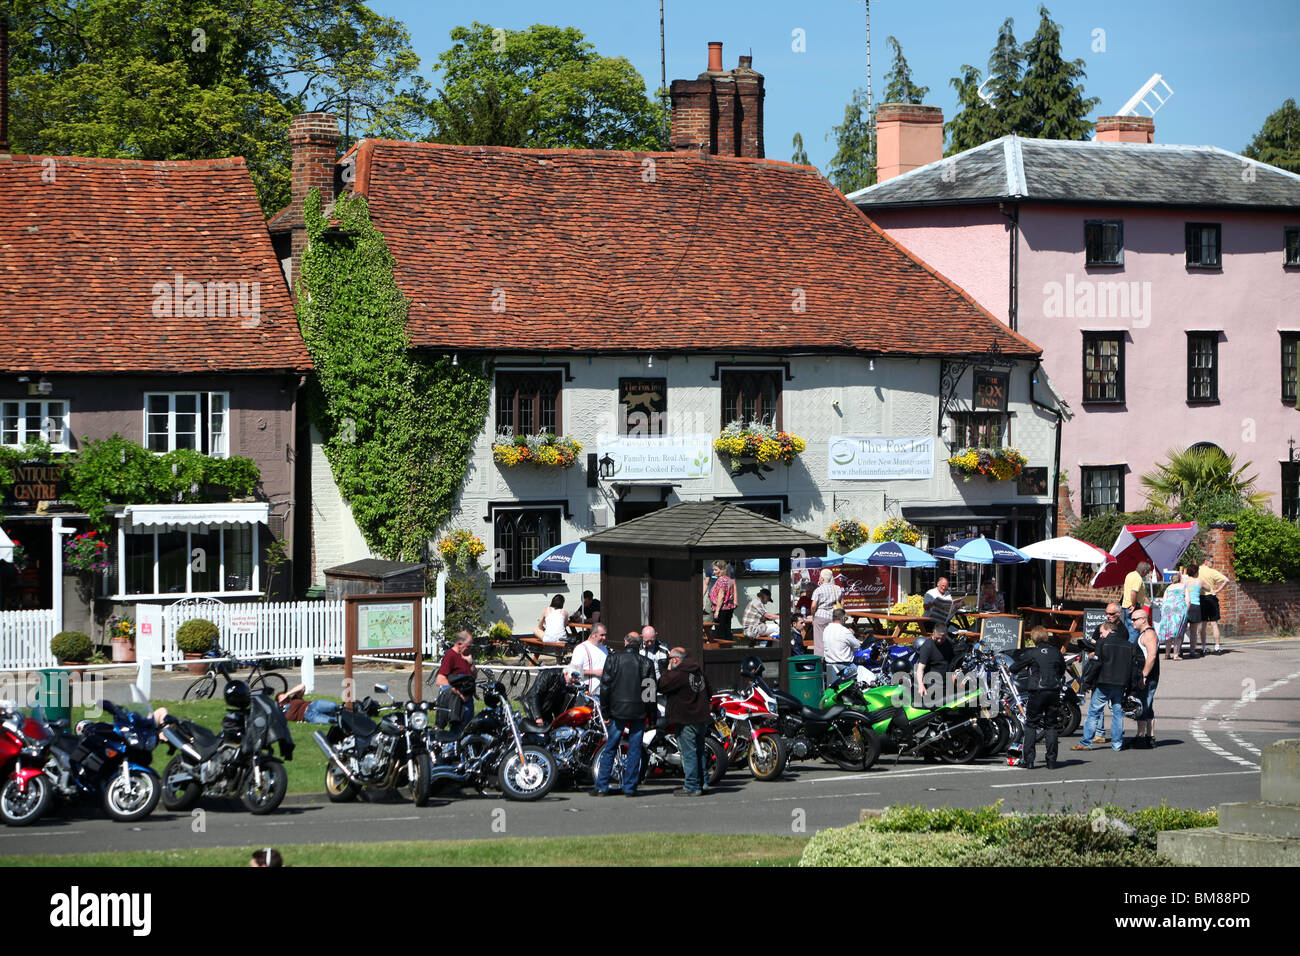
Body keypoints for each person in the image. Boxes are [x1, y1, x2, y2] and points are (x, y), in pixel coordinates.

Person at [593, 632, 656, 797]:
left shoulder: (613, 659)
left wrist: (605, 711)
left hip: (618, 710)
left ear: (626, 642)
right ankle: (630, 787)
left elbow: (605, 687)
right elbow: (650, 693)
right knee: (634, 749)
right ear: (639, 644)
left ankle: (601, 786)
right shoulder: (646, 662)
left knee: (611, 747)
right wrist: (652, 717)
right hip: (639, 711)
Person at [658, 646, 712, 796]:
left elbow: (662, 685)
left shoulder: (678, 673)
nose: (668, 662)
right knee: (700, 751)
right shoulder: (698, 671)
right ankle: (703, 782)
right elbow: (709, 691)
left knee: (689, 753)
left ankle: (692, 786)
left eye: (670, 659)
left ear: (675, 659)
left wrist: (668, 670)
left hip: (686, 718)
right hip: (701, 717)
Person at [1073, 620, 1132, 752]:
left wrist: (1086, 682)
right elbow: (1132, 666)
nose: (1100, 635)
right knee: (1117, 713)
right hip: (1120, 684)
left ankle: (1086, 742)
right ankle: (1117, 744)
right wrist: (1131, 687)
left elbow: (1096, 664)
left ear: (1108, 630)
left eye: (1101, 632)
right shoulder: (1128, 645)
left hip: (1104, 682)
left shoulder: (1102, 642)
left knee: (1094, 712)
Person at [1011, 627, 1064, 769]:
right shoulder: (1056, 652)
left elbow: (1014, 668)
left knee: (1031, 724)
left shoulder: (1032, 652)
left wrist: (1027, 668)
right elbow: (1062, 669)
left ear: (1034, 639)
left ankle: (1029, 760)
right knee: (1051, 725)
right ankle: (1051, 761)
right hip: (1053, 690)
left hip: (1037, 691)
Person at [435, 630, 476, 741]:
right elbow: (440, 679)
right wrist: (457, 692)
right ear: (459, 644)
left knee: (467, 731)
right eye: (468, 645)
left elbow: (473, 676)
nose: (470, 648)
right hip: (458, 702)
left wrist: (471, 663)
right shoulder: (450, 656)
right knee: (457, 732)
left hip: (468, 698)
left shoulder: (466, 655)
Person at [1131, 609, 1160, 749]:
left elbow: (1152, 656)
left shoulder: (1148, 634)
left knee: (1143, 705)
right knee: (1147, 705)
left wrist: (1144, 675)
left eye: (1134, 619)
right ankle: (1148, 736)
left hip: (1148, 677)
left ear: (1143, 619)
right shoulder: (1143, 634)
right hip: (1146, 676)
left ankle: (1142, 737)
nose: (1132, 622)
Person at [912, 620, 952, 707]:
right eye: (937, 637)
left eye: (943, 638)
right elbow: (920, 669)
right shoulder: (927, 646)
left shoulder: (949, 643)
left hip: (947, 681)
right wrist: (921, 685)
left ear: (946, 635)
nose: (940, 640)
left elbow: (953, 661)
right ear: (933, 634)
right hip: (932, 683)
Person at [822, 607, 861, 684]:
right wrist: (851, 634)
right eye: (845, 618)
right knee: (863, 675)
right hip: (844, 666)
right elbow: (857, 646)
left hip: (829, 665)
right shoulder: (845, 631)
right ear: (843, 618)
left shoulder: (826, 629)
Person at [810, 568, 844, 656]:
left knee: (819, 642)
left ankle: (820, 661)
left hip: (820, 616)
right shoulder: (837, 588)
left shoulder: (818, 590)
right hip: (833, 617)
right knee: (833, 639)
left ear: (822, 579)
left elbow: (813, 606)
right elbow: (842, 603)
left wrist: (813, 616)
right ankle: (833, 658)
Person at [1198, 559, 1229, 654]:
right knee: (1214, 623)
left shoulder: (1197, 570)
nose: (1213, 564)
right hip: (1211, 597)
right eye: (1212, 562)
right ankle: (1217, 647)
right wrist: (1218, 590)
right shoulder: (1212, 572)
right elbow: (1226, 580)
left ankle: (1203, 648)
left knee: (1203, 624)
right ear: (1206, 561)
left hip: (1201, 598)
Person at [569, 624, 609, 695]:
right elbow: (573, 672)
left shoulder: (604, 648)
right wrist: (595, 672)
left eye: (605, 635)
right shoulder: (581, 648)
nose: (604, 638)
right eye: (602, 635)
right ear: (593, 634)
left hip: (603, 693)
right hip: (587, 695)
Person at [1157, 573, 1189, 661]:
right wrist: (1186, 611)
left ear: (1172, 580)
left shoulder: (1168, 588)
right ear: (1180, 579)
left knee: (1169, 632)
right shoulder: (1184, 586)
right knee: (1178, 632)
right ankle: (1175, 654)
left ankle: (1167, 654)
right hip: (1179, 608)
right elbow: (1188, 600)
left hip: (1167, 609)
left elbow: (1164, 601)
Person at [275, 684, 341, 724]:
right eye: (280, 697)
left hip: (313, 705)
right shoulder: (282, 713)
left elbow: (302, 686)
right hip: (309, 716)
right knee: (331, 721)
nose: (284, 698)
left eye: (283, 696)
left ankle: (344, 711)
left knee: (333, 706)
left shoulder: (294, 699)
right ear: (279, 703)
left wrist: (287, 694)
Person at [708, 560, 738, 642]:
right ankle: (728, 648)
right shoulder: (728, 579)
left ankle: (721, 649)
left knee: (720, 632)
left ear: (722, 570)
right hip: (728, 608)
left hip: (722, 609)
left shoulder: (721, 580)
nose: (714, 572)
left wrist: (717, 611)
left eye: (716, 570)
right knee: (727, 629)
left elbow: (721, 596)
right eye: (714, 570)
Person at [1121, 561, 1151, 643]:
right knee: (1134, 630)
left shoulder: (1130, 574)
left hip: (1125, 606)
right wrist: (1134, 605)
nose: (1146, 574)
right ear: (1144, 571)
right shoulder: (1138, 578)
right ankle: (1131, 651)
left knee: (1127, 630)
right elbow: (1133, 592)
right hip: (1132, 607)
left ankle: (1126, 650)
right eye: (1147, 573)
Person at [1181, 564, 1203, 657]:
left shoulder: (1184, 581)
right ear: (1196, 572)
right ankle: (1192, 651)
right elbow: (1209, 588)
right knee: (1194, 631)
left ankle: (1179, 650)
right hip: (1195, 606)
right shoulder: (1200, 582)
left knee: (1182, 629)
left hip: (1185, 605)